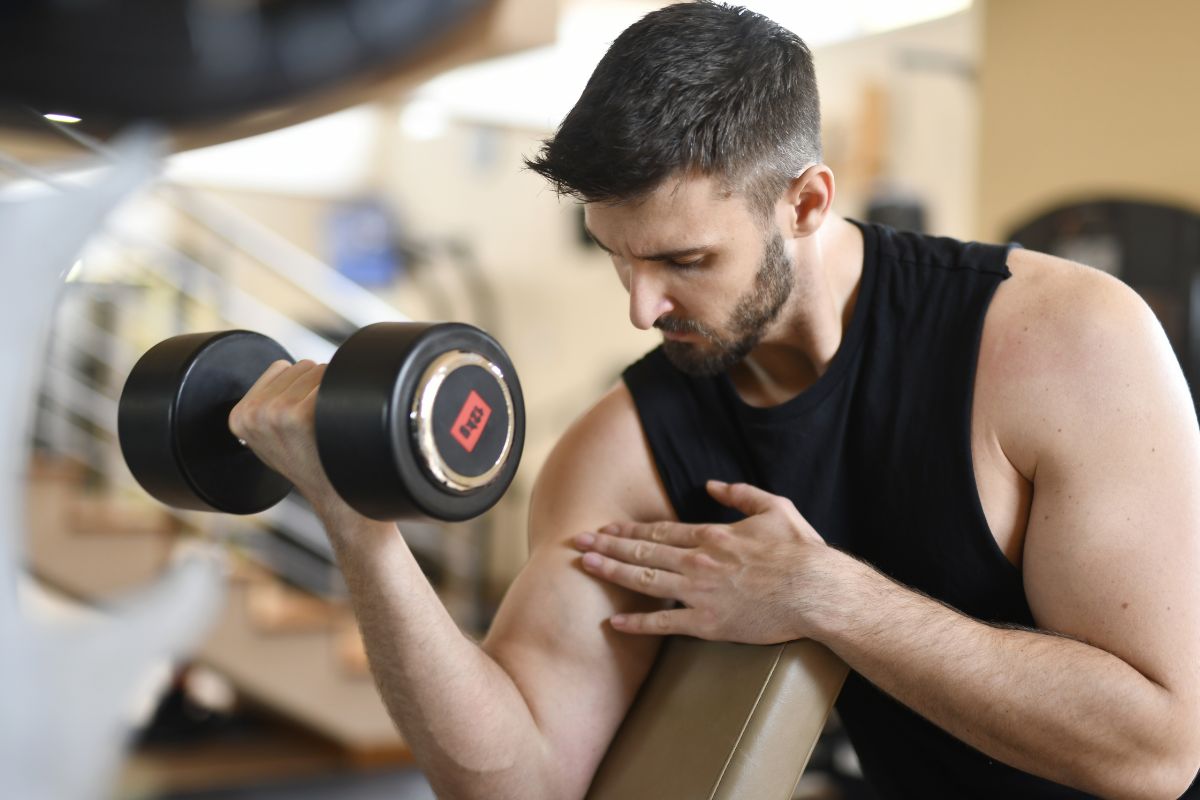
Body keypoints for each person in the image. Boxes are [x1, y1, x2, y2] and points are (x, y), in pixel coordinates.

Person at [229, 2, 1200, 798]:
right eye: (619, 257)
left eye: (683, 261)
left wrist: (825, 595)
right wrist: (363, 533)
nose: (641, 305)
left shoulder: (1061, 342)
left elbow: (1157, 749)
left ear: (807, 202)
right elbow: (516, 783)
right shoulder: (625, 450)